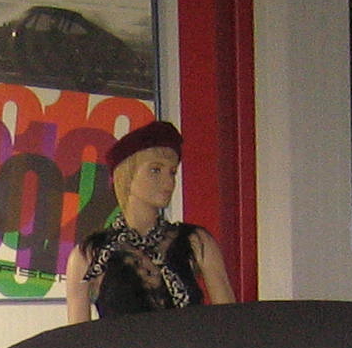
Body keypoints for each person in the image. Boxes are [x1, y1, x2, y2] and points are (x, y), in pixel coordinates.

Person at [65, 120, 235, 323]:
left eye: (172, 172)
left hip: (189, 344)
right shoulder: (90, 254)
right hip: (124, 345)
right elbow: (79, 336)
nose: (169, 182)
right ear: (127, 175)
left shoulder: (196, 242)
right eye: (155, 170)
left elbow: (230, 322)